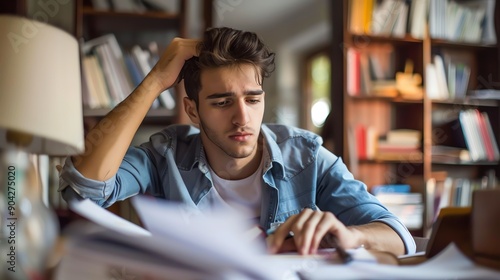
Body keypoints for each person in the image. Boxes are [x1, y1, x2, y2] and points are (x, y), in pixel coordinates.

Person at [59, 27, 416, 256]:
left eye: (253, 99)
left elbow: (398, 235)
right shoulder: (165, 154)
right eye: (222, 102)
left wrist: (350, 235)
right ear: (193, 111)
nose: (242, 118)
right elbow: (84, 188)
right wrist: (154, 81)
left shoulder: (307, 156)